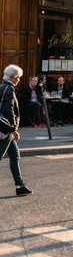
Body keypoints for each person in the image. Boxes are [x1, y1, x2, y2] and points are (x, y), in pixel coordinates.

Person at [0, 65, 32, 196]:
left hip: (4, 127)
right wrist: (13, 130)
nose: (19, 80)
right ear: (12, 77)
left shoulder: (2, 87)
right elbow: (9, 110)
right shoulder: (9, 89)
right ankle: (19, 185)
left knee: (15, 156)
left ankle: (20, 185)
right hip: (5, 129)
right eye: (18, 78)